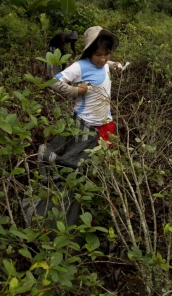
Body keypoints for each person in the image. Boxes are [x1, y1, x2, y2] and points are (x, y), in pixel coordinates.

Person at [27, 26, 121, 228]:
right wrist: (77, 90)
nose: (102, 59)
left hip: (106, 124)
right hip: (85, 127)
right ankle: (72, 209)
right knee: (78, 168)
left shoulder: (104, 63)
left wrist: (116, 65)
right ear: (89, 52)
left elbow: (108, 65)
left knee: (101, 165)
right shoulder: (80, 67)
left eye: (106, 54)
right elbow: (55, 81)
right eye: (98, 54)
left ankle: (96, 203)